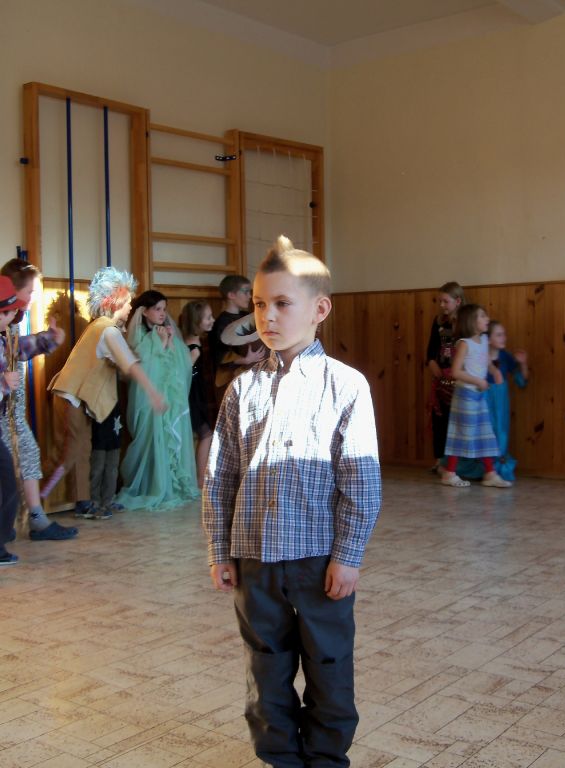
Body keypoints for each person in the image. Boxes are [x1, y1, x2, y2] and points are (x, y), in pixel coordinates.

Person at [203, 236, 382, 768]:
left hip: (318, 563)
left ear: (319, 310)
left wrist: (348, 556)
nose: (268, 316)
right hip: (255, 560)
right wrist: (218, 550)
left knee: (329, 666)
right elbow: (221, 477)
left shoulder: (346, 386)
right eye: (260, 304)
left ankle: (325, 758)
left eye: (283, 303)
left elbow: (361, 480)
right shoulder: (242, 390)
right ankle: (279, 758)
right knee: (266, 670)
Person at [42, 268, 166, 519]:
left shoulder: (104, 328)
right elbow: (131, 365)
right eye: (128, 302)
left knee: (77, 452)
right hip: (69, 397)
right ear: (114, 302)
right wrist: (153, 393)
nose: (130, 307)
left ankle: (61, 502)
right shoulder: (107, 330)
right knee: (68, 455)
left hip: (76, 400)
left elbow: (121, 364)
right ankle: (33, 499)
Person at [0, 259, 77, 541]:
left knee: (27, 455)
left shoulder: (11, 322)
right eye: (30, 292)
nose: (33, 298)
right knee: (10, 469)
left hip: (12, 409)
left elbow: (18, 348)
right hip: (4, 411)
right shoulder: (4, 320)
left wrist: (48, 340)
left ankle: (33, 519)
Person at [117, 290, 200, 509]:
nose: (162, 314)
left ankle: (170, 483)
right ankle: (151, 485)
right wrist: (161, 343)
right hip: (147, 398)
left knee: (167, 439)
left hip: (168, 397)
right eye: (157, 309)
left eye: (164, 309)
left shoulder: (167, 331)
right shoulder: (139, 336)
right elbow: (142, 367)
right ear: (144, 312)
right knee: (150, 438)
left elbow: (178, 366)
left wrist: (170, 342)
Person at [442, 304, 512, 488]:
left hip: (479, 396)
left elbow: (487, 362)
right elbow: (455, 372)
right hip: (465, 396)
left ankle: (490, 473)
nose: (487, 319)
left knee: (484, 432)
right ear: (472, 322)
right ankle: (449, 473)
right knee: (462, 433)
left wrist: (494, 371)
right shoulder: (465, 344)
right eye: (482, 316)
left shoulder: (484, 340)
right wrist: (478, 381)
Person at [456, 320, 529, 482]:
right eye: (499, 335)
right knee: (481, 432)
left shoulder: (505, 357)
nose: (504, 338)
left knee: (500, 432)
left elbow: (521, 381)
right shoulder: (479, 356)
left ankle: (494, 469)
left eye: (504, 334)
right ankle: (478, 469)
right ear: (488, 339)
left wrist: (523, 364)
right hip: (482, 399)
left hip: (501, 405)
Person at [0, 277, 31, 565]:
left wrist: (48, 339)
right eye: (9, 313)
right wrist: (3, 384)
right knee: (8, 481)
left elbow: (23, 347)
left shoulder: (3, 337)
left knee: (8, 481)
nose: (12, 318)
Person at [426, 282, 466, 472]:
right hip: (441, 378)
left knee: (457, 421)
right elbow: (431, 350)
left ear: (457, 301)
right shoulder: (439, 322)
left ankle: (456, 464)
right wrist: (431, 363)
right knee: (439, 421)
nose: (442, 305)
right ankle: (440, 460)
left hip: (459, 379)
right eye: (440, 301)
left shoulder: (466, 322)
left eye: (445, 301)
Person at [209, 274, 265, 404]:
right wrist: (245, 360)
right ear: (231, 295)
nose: (249, 296)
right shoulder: (221, 323)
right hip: (233, 380)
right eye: (245, 292)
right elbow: (218, 355)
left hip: (254, 376)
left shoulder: (246, 316)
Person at [179, 299, 215, 487]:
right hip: (194, 398)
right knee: (206, 435)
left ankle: (201, 477)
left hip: (199, 396)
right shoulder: (194, 350)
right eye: (208, 318)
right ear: (196, 322)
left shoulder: (198, 342)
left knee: (206, 434)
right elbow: (183, 375)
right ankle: (200, 479)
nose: (212, 320)